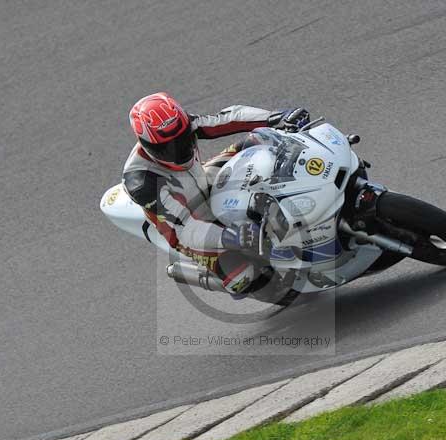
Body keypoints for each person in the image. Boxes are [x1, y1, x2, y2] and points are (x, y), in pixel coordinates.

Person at [122, 92, 309, 296]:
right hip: (188, 226)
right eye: (166, 148)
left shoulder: (184, 124)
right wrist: (230, 237)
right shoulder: (141, 183)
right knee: (243, 277)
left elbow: (228, 118)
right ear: (147, 145)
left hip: (205, 181)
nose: (178, 150)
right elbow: (187, 229)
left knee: (259, 140)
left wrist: (275, 117)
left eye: (183, 139)